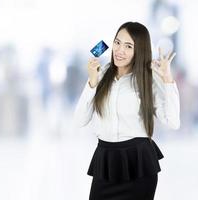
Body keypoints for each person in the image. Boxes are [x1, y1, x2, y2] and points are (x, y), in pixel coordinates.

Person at [73, 22, 180, 200]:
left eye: (128, 46)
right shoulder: (102, 73)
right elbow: (79, 120)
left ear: (140, 50)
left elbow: (173, 122)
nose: (119, 50)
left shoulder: (149, 78)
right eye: (117, 43)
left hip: (138, 163)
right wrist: (92, 82)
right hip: (105, 161)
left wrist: (167, 80)